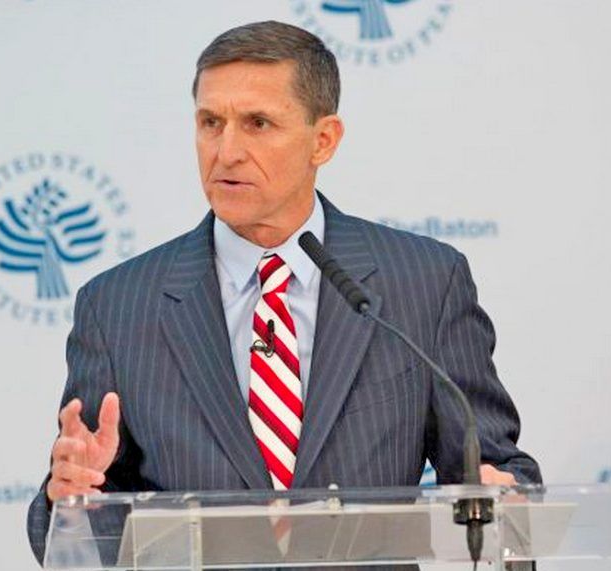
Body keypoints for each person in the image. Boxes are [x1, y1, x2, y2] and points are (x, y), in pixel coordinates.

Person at [27, 20, 541, 564]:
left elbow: (491, 464)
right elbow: (75, 520)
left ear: (324, 140)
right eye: (210, 123)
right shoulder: (118, 305)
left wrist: (502, 489)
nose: (226, 151)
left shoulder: (424, 282)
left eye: (257, 123)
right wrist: (74, 501)